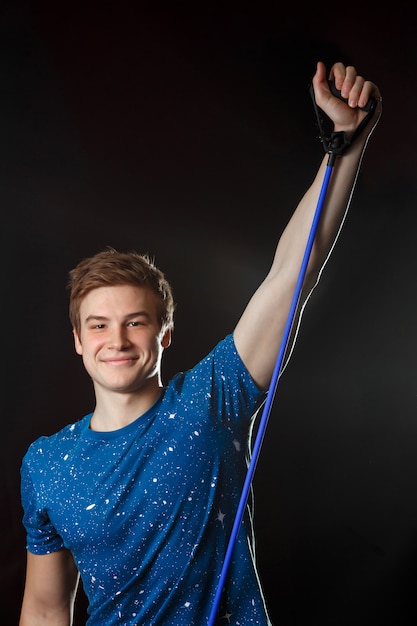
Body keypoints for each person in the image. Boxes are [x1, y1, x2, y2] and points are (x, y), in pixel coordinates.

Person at [19, 60, 382, 626]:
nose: (117, 339)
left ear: (164, 333)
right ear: (77, 340)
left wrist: (347, 143)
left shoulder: (213, 397)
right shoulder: (44, 462)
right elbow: (44, 608)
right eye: (98, 324)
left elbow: (295, 268)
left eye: (135, 322)